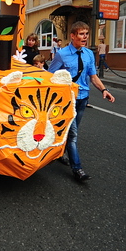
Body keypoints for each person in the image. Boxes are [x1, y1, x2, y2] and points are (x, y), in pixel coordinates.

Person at [49, 21, 115, 183]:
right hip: (66, 100)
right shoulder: (62, 54)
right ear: (72, 36)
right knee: (73, 134)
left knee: (72, 130)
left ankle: (60, 152)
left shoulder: (88, 54)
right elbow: (50, 77)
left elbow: (93, 76)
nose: (84, 37)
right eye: (81, 34)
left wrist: (104, 90)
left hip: (83, 98)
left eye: (86, 34)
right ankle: (77, 168)